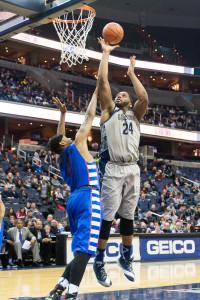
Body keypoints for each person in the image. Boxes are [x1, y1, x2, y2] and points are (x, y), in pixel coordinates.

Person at [93, 38, 149, 287]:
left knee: (128, 217)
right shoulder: (109, 112)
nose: (120, 95)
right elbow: (103, 82)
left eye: (124, 93)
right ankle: (99, 260)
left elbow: (144, 98)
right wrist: (105, 53)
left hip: (133, 169)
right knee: (107, 217)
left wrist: (131, 73)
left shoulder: (136, 114)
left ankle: (126, 258)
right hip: (114, 168)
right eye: (119, 94)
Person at [46, 84, 101, 300]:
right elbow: (89, 116)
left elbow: (58, 138)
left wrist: (63, 114)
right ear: (63, 143)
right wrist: (98, 89)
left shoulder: (63, 155)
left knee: (81, 250)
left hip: (74, 199)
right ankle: (72, 294)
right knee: (85, 251)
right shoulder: (77, 144)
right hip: (88, 197)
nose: (68, 135)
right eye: (64, 136)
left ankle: (58, 288)